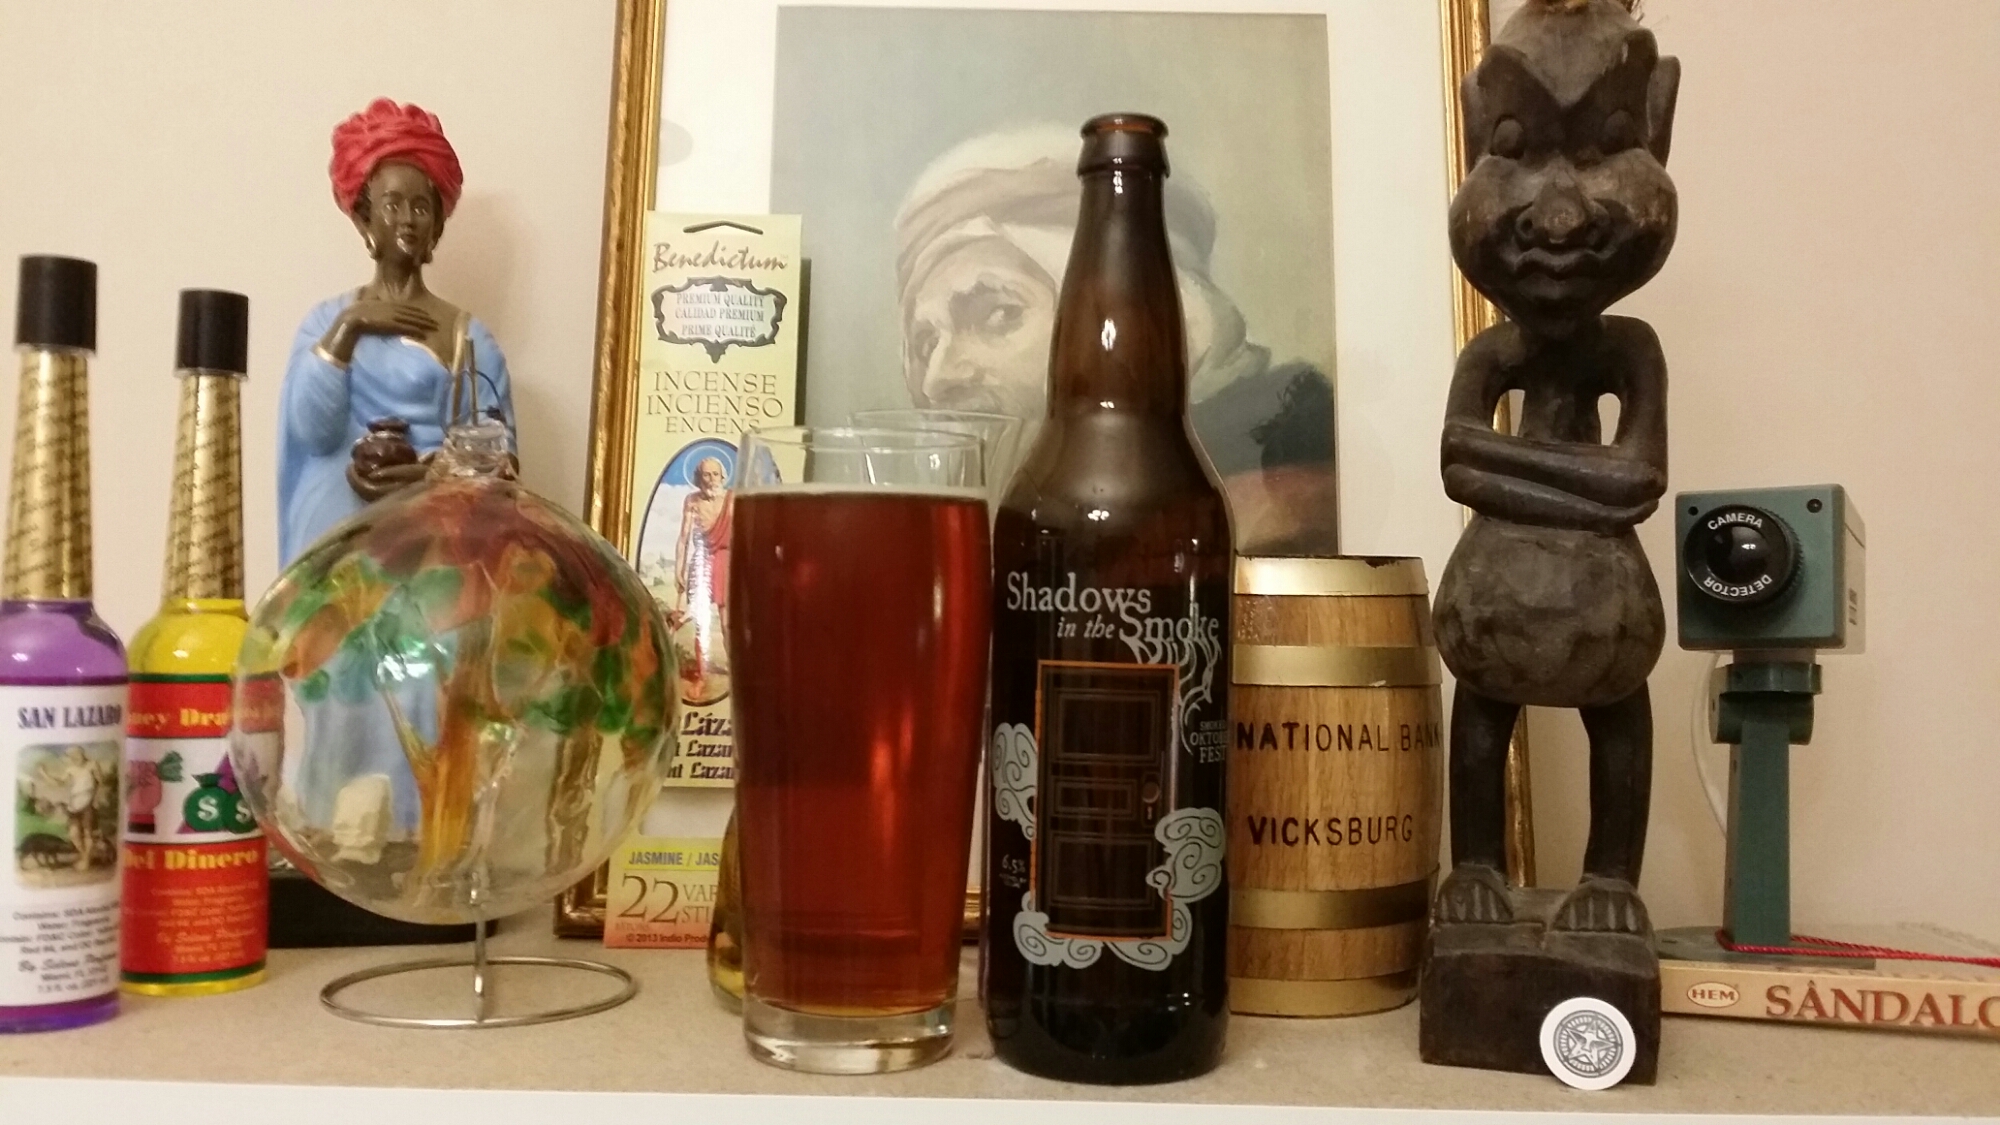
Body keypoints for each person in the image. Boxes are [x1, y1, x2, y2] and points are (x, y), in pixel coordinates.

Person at [892, 126, 1337, 553]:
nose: (937, 379)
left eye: (998, 315)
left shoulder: (1278, 483)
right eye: (926, 343)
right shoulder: (1017, 511)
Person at [278, 98, 517, 565]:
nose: (407, 219)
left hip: (430, 550)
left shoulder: (469, 339)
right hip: (337, 547)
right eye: (392, 205)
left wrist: (430, 477)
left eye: (421, 207)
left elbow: (502, 471)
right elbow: (311, 433)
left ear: (437, 225)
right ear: (364, 218)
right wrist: (351, 328)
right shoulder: (326, 323)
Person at [672, 456, 733, 699]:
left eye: (715, 474)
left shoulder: (732, 499)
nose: (711, 480)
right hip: (702, 561)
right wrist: (679, 569)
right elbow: (684, 538)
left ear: (722, 476)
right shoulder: (692, 501)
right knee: (700, 622)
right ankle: (702, 675)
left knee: (727, 623)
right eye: (706, 475)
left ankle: (735, 671)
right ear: (699, 478)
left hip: (726, 561)